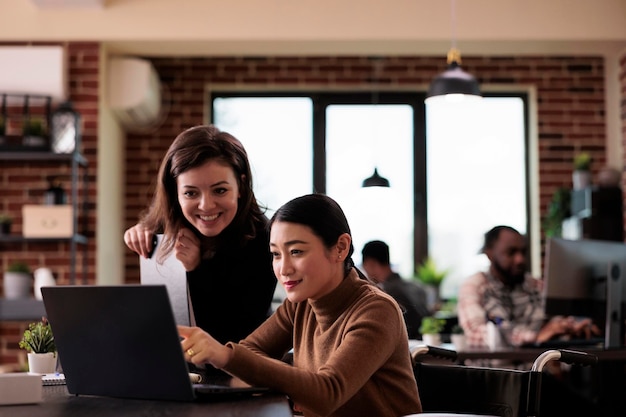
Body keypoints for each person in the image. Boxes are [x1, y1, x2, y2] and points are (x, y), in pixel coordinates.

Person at [178, 194, 422, 417]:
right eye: (275, 254)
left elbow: (328, 393)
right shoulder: (301, 304)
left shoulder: (377, 310)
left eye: (296, 251)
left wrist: (223, 354)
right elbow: (249, 352)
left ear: (340, 248)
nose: (283, 269)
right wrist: (295, 382)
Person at [123, 124, 277, 346]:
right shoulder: (165, 229)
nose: (206, 205)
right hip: (180, 367)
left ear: (241, 186)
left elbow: (235, 338)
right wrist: (141, 233)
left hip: (243, 369)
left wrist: (196, 269)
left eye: (220, 190)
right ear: (175, 193)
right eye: (191, 193)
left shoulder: (266, 239)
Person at [457, 225, 599, 348]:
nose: (520, 259)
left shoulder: (535, 286)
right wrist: (536, 336)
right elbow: (476, 335)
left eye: (522, 252)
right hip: (494, 375)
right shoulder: (474, 286)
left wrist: (570, 326)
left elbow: (557, 319)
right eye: (511, 252)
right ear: (489, 254)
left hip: (536, 373)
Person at [361, 240, 431, 339]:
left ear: (371, 263)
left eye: (365, 267)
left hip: (407, 347)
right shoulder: (414, 285)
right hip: (424, 346)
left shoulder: (385, 293)